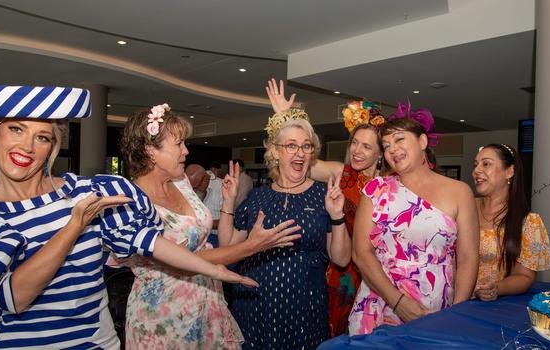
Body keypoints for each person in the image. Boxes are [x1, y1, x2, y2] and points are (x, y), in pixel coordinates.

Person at [0, 84, 255, 349]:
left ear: (53, 146)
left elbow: (150, 242)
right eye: (16, 129)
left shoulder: (87, 191)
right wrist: (74, 226)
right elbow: (15, 298)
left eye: (42, 137)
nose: (27, 146)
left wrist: (216, 271)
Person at [115, 104, 301, 349]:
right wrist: (252, 246)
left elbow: (202, 234)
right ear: (150, 151)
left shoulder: (181, 182)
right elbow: (187, 257)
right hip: (164, 315)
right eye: (178, 144)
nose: (186, 151)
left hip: (207, 300)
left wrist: (228, 201)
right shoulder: (131, 202)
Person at [219, 106, 351, 349]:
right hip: (254, 307)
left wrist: (337, 215)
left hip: (305, 312)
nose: (300, 152)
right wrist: (228, 202)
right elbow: (228, 247)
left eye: (306, 146)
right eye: (291, 145)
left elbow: (341, 259)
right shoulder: (257, 198)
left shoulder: (324, 196)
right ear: (275, 152)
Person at [266, 78, 385, 336]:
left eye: (366, 146)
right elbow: (301, 158)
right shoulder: (343, 174)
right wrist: (284, 118)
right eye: (354, 142)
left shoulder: (390, 187)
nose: (357, 151)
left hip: (379, 272)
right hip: (342, 271)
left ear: (380, 154)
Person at [349, 102, 479, 334]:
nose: (392, 149)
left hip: (438, 311)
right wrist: (398, 302)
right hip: (379, 306)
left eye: (399, 139)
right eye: (386, 145)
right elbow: (361, 253)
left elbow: (468, 257)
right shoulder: (375, 190)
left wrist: (457, 312)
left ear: (422, 142)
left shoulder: (460, 192)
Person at [472, 143, 550, 301]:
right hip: (446, 297)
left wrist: (497, 288)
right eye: (475, 165)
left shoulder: (528, 222)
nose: (476, 170)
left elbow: (524, 276)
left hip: (485, 307)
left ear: (510, 171)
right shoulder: (464, 206)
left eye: (486, 164)